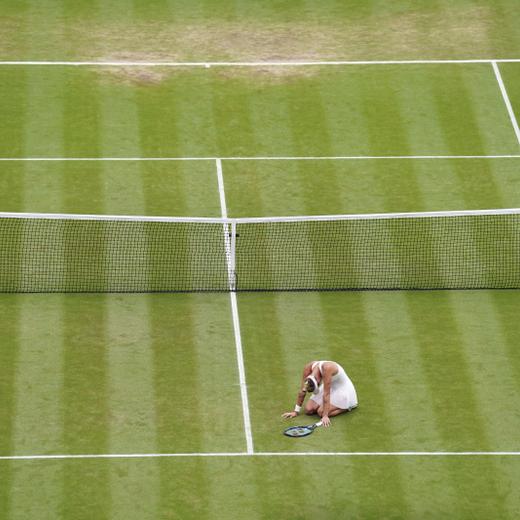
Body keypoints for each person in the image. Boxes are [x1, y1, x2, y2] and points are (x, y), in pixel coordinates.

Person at [282, 360, 358, 427]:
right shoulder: (308, 368)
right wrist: (296, 411)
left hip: (343, 390)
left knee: (321, 412)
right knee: (308, 409)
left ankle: (350, 405)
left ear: (317, 381)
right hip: (329, 386)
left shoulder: (328, 368)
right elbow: (302, 390)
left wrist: (325, 416)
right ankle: (331, 407)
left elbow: (326, 394)